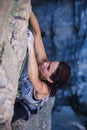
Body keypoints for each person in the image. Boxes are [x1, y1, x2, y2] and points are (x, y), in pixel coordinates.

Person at [12, 11, 71, 122]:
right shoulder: (44, 63)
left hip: (25, 105)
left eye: (48, 68)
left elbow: (33, 78)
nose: (45, 63)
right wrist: (28, 8)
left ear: (50, 79)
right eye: (50, 62)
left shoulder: (45, 90)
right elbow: (37, 33)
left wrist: (31, 46)